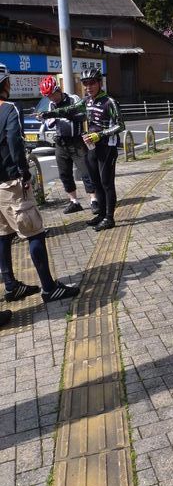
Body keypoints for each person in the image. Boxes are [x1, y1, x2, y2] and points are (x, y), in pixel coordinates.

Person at [0, 64, 79, 305]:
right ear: (4, 83)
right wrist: (24, 173)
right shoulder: (10, 108)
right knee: (34, 231)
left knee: (3, 235)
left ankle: (11, 286)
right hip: (11, 183)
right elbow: (14, 142)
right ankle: (48, 287)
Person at [53, 68, 124, 231]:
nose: (88, 87)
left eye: (92, 83)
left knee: (106, 183)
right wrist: (48, 114)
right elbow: (68, 110)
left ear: (100, 83)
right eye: (85, 84)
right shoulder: (87, 101)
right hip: (91, 146)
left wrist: (100, 135)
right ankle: (101, 214)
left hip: (108, 147)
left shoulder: (109, 102)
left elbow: (121, 125)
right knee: (96, 182)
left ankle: (109, 218)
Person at [36, 75, 99, 215]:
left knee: (86, 172)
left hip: (76, 141)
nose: (52, 98)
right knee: (64, 173)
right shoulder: (51, 105)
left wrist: (64, 114)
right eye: (48, 96)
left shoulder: (73, 99)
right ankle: (74, 202)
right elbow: (50, 124)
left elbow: (83, 115)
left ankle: (94, 200)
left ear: (58, 89)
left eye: (53, 94)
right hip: (61, 143)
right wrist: (44, 117)